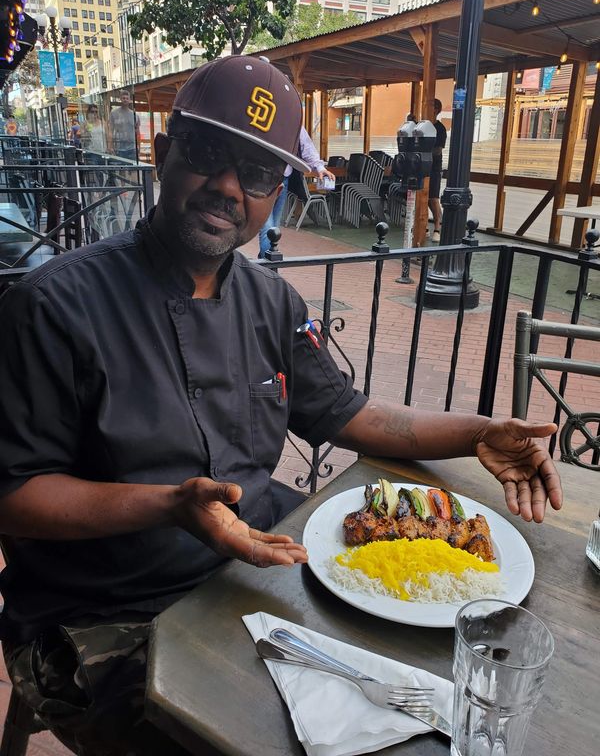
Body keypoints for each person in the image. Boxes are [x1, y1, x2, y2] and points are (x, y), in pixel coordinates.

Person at [0, 55, 562, 756]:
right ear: (164, 152)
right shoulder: (54, 304)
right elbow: (16, 495)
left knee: (421, 682)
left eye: (259, 173)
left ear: (277, 194)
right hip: (99, 614)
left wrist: (475, 431)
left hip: (248, 570)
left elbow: (352, 414)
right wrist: (169, 506)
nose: (230, 188)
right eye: (210, 155)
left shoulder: (272, 304)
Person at [258, 126, 335, 258]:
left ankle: (265, 266)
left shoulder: (292, 118)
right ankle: (268, 266)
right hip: (262, 178)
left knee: (274, 228)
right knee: (268, 228)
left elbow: (306, 145)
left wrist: (320, 167)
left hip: (283, 178)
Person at [429, 98, 447, 243]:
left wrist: (423, 152)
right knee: (423, 197)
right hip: (421, 167)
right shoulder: (422, 126)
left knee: (433, 198)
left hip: (434, 167)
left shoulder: (440, 129)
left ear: (436, 110)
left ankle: (437, 228)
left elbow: (438, 150)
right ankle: (425, 226)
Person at [108, 89, 140, 161]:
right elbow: (110, 130)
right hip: (119, 148)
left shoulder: (135, 115)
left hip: (132, 148)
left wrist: (138, 146)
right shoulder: (114, 113)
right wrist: (110, 146)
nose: (125, 100)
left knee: (133, 170)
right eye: (123, 98)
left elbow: (137, 132)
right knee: (122, 170)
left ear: (129, 100)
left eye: (127, 98)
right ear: (120, 99)